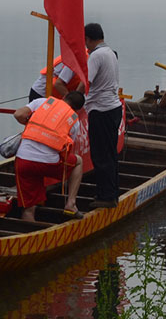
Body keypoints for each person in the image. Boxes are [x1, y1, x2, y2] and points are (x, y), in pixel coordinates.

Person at [13, 92, 87, 221]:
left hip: (24, 160)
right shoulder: (74, 119)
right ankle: (71, 203)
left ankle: (28, 229)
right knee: (78, 162)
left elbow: (18, 114)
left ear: (64, 97)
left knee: (28, 209)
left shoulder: (42, 102)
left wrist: (30, 124)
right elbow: (67, 149)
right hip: (49, 163)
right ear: (77, 109)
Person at [84, 22, 123, 209]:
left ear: (87, 39)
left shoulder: (95, 55)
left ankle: (106, 197)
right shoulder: (110, 52)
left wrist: (72, 99)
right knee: (110, 154)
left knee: (100, 155)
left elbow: (86, 82)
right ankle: (112, 193)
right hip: (113, 108)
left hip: (101, 110)